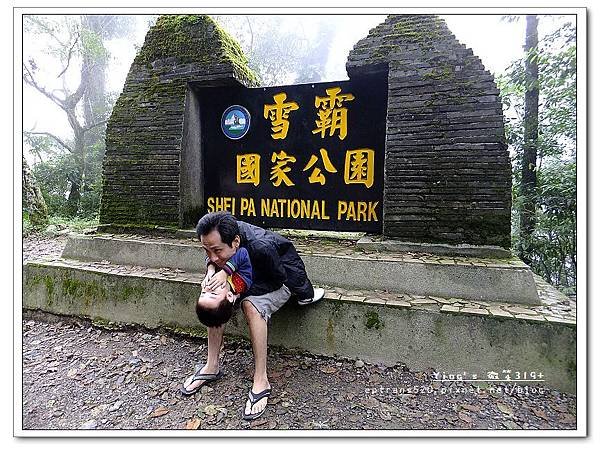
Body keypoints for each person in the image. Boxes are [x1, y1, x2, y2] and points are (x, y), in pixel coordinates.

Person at [180, 211, 324, 421]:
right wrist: (212, 271)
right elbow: (213, 253)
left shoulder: (261, 247)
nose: (211, 256)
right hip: (243, 273)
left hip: (278, 279)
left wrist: (235, 290)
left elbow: (276, 280)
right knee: (213, 301)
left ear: (235, 241)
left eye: (216, 251)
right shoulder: (218, 236)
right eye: (206, 250)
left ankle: (261, 379)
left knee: (250, 305)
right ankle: (211, 365)